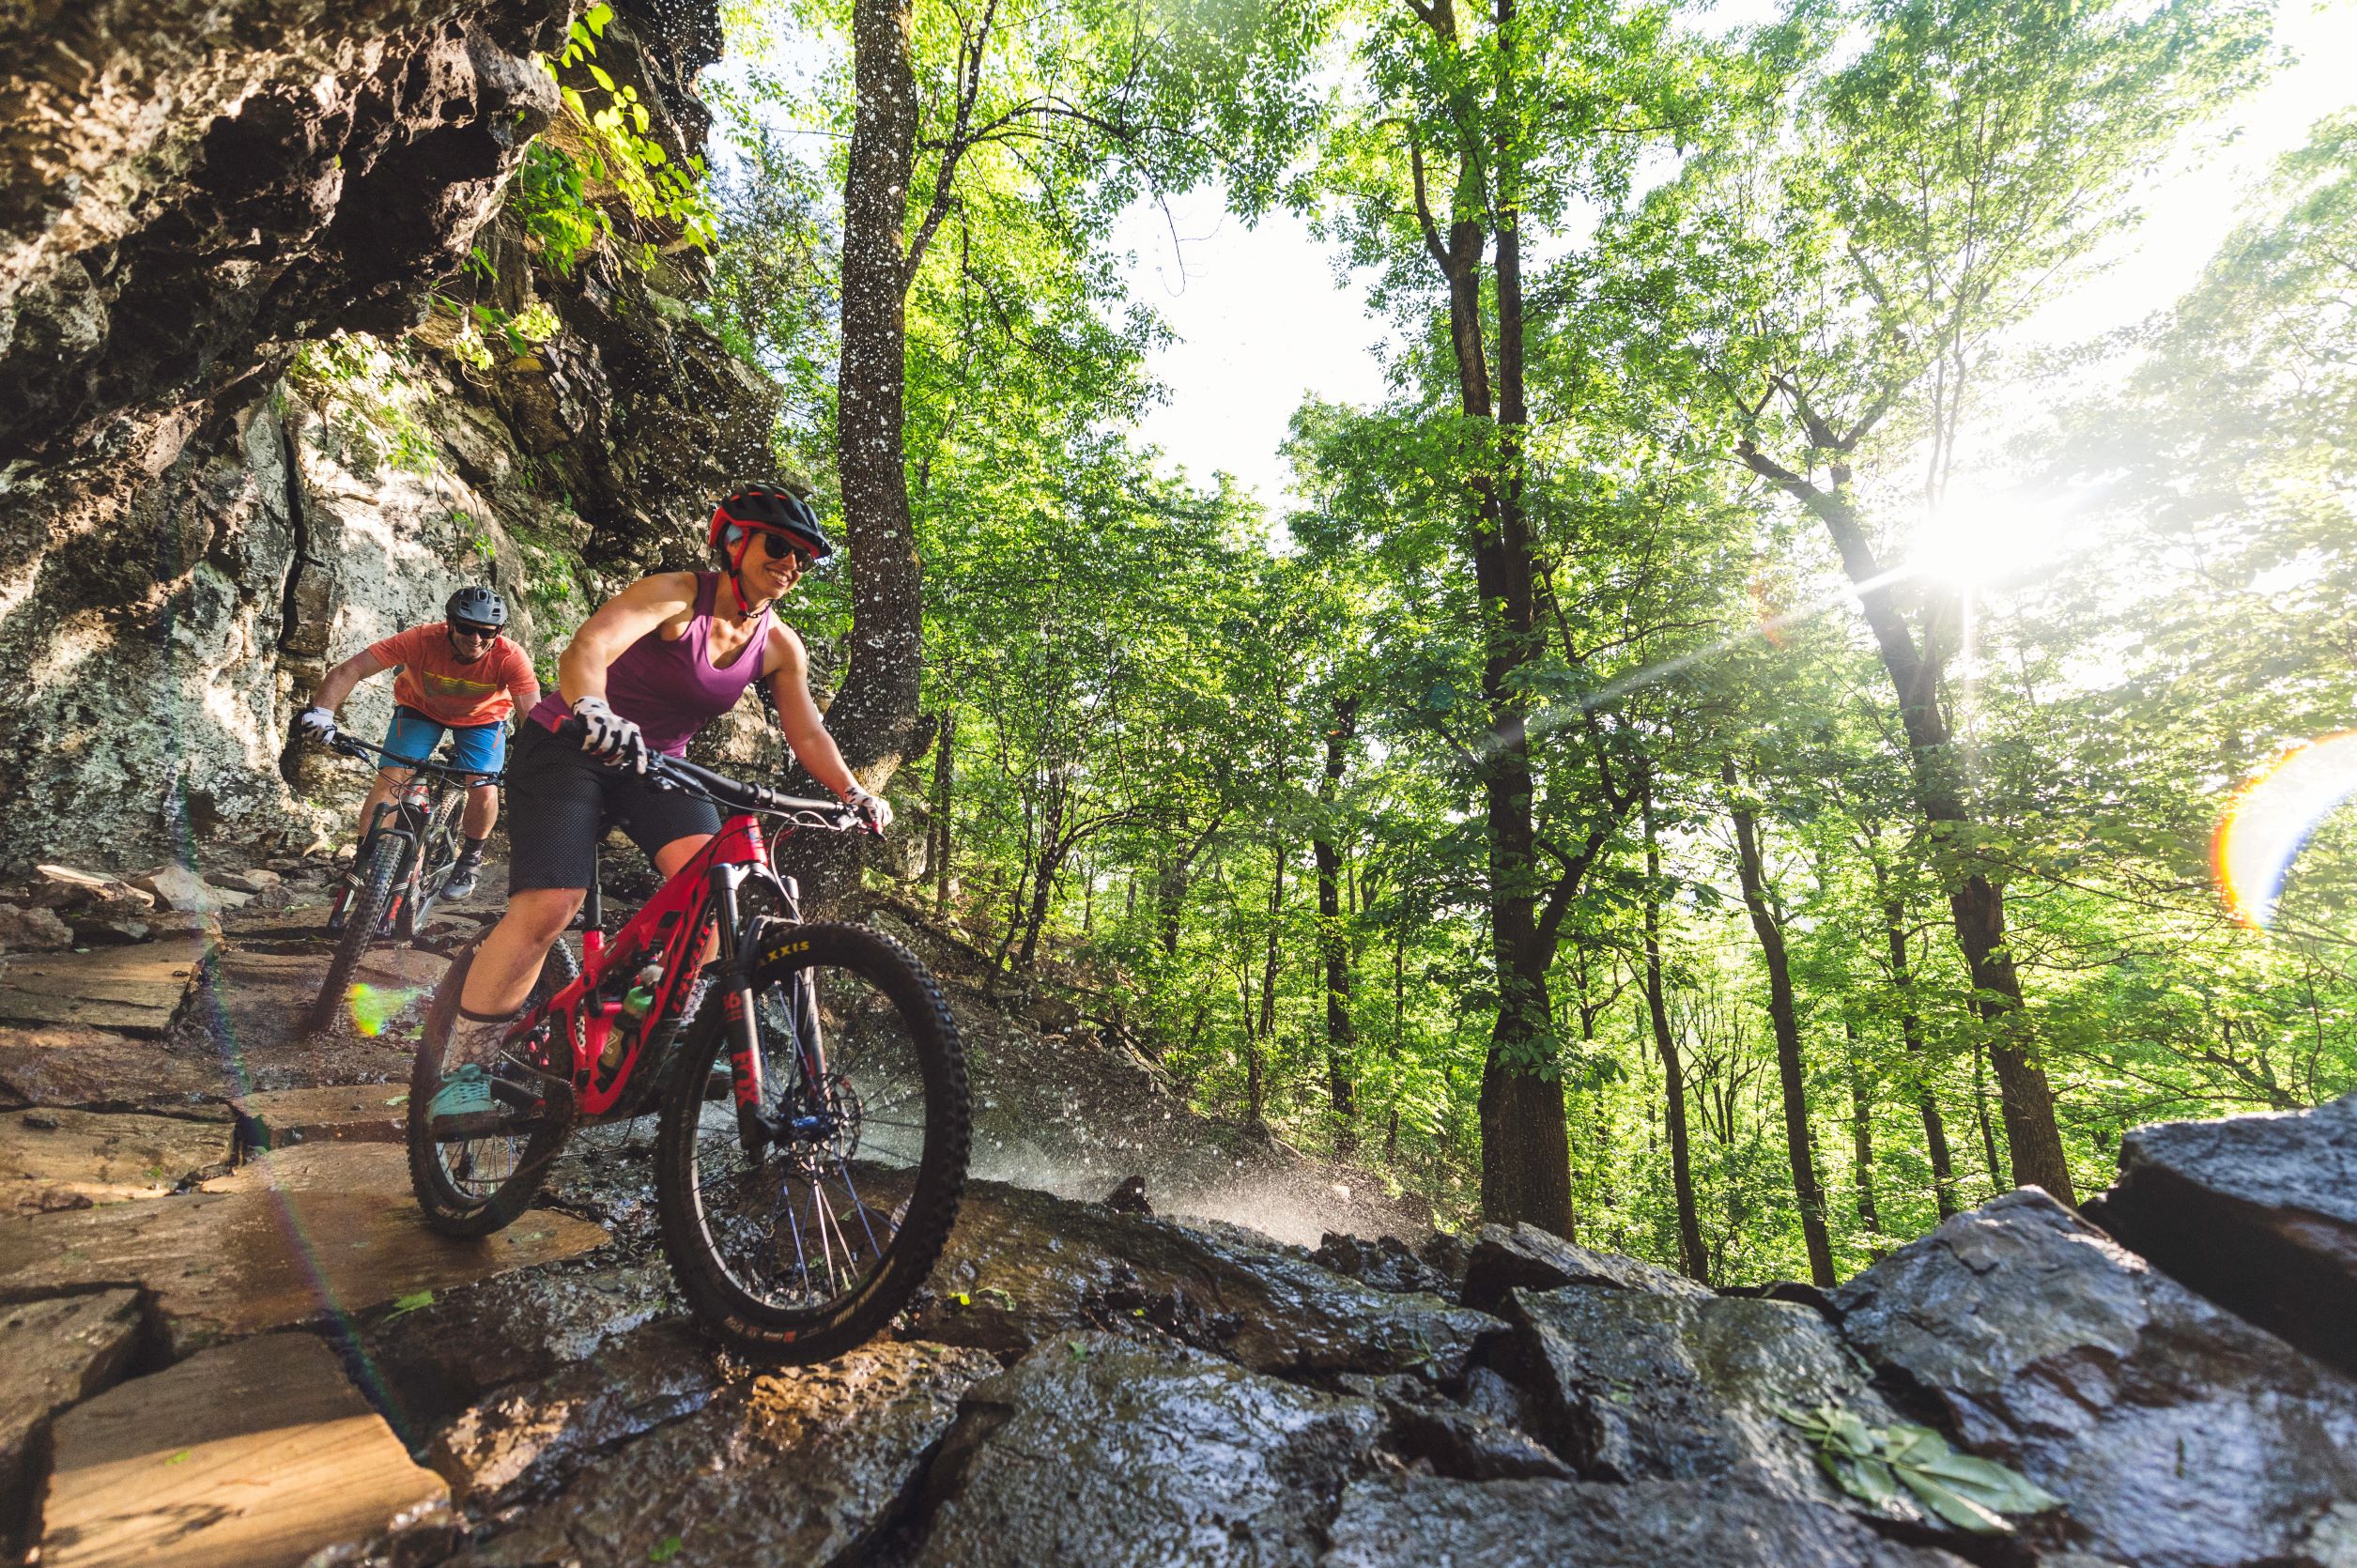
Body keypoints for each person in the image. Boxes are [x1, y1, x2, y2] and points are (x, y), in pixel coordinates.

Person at [444, 483, 889, 1072]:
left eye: (802, 557)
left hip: (657, 766)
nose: (790, 564)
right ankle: (464, 1070)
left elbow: (808, 734)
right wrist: (593, 709)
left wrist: (852, 792)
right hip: (570, 744)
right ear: (734, 542)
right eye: (778, 546)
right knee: (552, 904)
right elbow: (590, 647)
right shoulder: (678, 596)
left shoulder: (780, 645)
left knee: (718, 891)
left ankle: (639, 1025)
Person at [297, 586, 538, 907]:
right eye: (466, 628)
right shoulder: (421, 639)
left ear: (499, 631)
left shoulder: (510, 656)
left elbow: (532, 716)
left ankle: (470, 859)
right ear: (450, 623)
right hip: (420, 709)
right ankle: (365, 858)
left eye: (486, 631)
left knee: (483, 786)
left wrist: (539, 757)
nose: (475, 639)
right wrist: (322, 712)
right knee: (392, 778)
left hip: (483, 719)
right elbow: (351, 669)